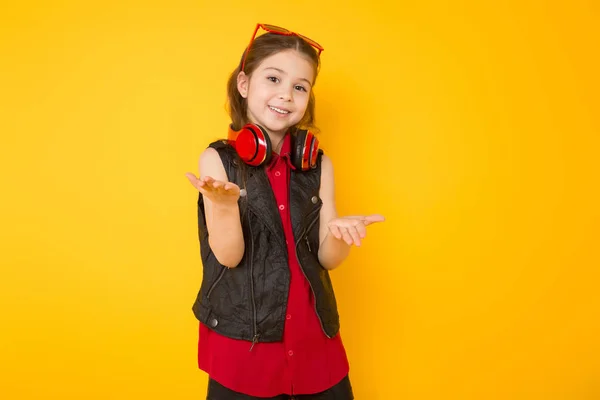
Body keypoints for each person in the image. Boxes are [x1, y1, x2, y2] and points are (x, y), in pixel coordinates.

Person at [185, 23, 385, 400]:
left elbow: (326, 257)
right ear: (244, 84)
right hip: (246, 347)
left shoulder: (319, 166)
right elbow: (229, 257)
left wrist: (340, 235)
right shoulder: (217, 160)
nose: (286, 95)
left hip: (315, 344)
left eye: (300, 86)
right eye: (273, 78)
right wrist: (225, 208)